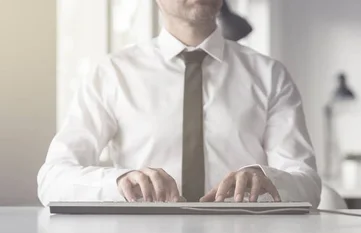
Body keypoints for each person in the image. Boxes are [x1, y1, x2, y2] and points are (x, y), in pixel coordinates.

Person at [37, 0, 321, 207]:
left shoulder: (269, 76)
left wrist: (266, 178)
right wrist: (120, 182)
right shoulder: (112, 74)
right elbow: (53, 179)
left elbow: (307, 183)